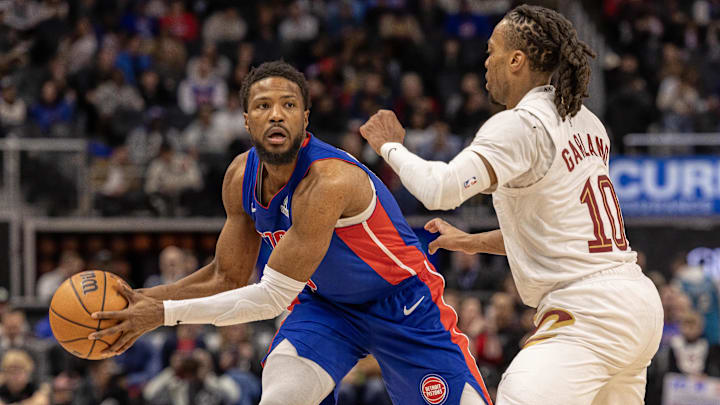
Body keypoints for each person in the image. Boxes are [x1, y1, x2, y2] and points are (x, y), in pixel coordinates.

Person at [89, 61, 491, 405]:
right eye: (263, 106)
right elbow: (225, 277)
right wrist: (138, 300)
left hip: (403, 304)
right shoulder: (238, 177)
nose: (276, 114)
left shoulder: (329, 181)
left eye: (289, 105)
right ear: (247, 120)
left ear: (305, 118)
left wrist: (159, 314)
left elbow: (271, 298)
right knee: (281, 396)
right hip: (327, 307)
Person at [359, 5, 663, 405]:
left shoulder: (520, 124)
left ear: (517, 60)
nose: (485, 62)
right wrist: (472, 242)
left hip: (589, 312)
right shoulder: (588, 122)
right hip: (635, 303)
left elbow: (441, 190)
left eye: (491, 51)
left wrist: (389, 145)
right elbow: (556, 230)